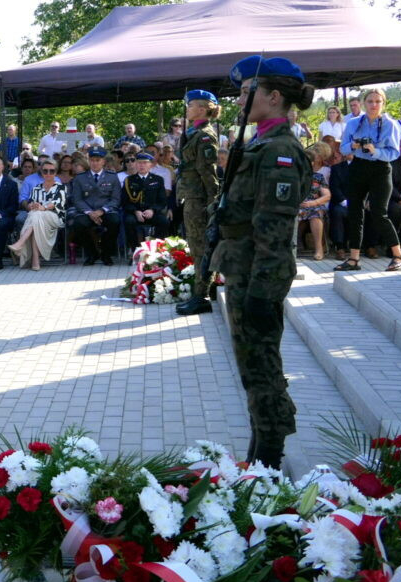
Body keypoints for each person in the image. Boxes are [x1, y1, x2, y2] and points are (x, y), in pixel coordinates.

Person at [209, 56, 313, 469]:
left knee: (262, 366)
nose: (239, 100)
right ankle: (259, 449)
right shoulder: (260, 143)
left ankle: (269, 456)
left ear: (273, 97)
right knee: (251, 367)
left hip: (259, 273)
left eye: (247, 92)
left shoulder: (281, 151)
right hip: (244, 267)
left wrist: (261, 292)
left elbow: (273, 230)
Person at [336, 87, 401, 272]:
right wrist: (353, 145)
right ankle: (354, 259)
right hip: (358, 166)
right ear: (363, 103)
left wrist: (375, 151)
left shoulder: (390, 124)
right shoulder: (353, 123)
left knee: (379, 213)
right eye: (370, 101)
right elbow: (343, 149)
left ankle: (398, 256)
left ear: (383, 103)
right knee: (354, 212)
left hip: (380, 168)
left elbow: (394, 153)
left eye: (378, 101)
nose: (374, 105)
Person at [174, 90, 222, 316]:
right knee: (196, 246)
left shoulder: (204, 135)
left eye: (191, 105)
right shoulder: (194, 132)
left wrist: (213, 202)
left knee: (201, 247)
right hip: (192, 196)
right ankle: (204, 290)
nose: (187, 108)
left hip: (200, 199)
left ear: (203, 109)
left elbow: (208, 172)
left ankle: (201, 295)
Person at [8, 160, 67, 270]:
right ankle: (35, 260)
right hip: (38, 218)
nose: (48, 174)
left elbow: (57, 203)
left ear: (56, 172)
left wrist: (43, 207)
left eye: (51, 171)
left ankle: (21, 242)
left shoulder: (61, 187)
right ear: (41, 171)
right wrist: (32, 205)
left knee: (36, 215)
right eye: (45, 171)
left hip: (55, 217)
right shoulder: (36, 188)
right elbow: (32, 203)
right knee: (36, 217)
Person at [68, 146, 121, 265]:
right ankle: (92, 253)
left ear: (103, 161)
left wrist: (102, 211)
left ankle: (106, 253)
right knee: (78, 223)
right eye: (92, 160)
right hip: (87, 212)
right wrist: (90, 212)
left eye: (98, 160)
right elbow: (77, 199)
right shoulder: (80, 178)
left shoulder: (112, 177)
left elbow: (116, 199)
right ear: (88, 161)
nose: (95, 163)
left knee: (115, 221)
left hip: (105, 211)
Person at [122, 153, 169, 250]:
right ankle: (134, 249)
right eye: (139, 163)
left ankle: (157, 249)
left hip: (152, 212)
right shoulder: (129, 180)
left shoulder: (158, 180)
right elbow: (124, 201)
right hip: (135, 212)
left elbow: (162, 201)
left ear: (150, 165)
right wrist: (135, 211)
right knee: (128, 221)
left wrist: (152, 210)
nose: (141, 165)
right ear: (135, 164)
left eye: (144, 163)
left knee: (164, 221)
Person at [297, 143, 332, 261]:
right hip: (297, 205)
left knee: (316, 214)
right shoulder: (296, 176)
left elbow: (327, 196)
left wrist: (314, 203)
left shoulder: (318, 177)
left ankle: (319, 249)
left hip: (313, 205)